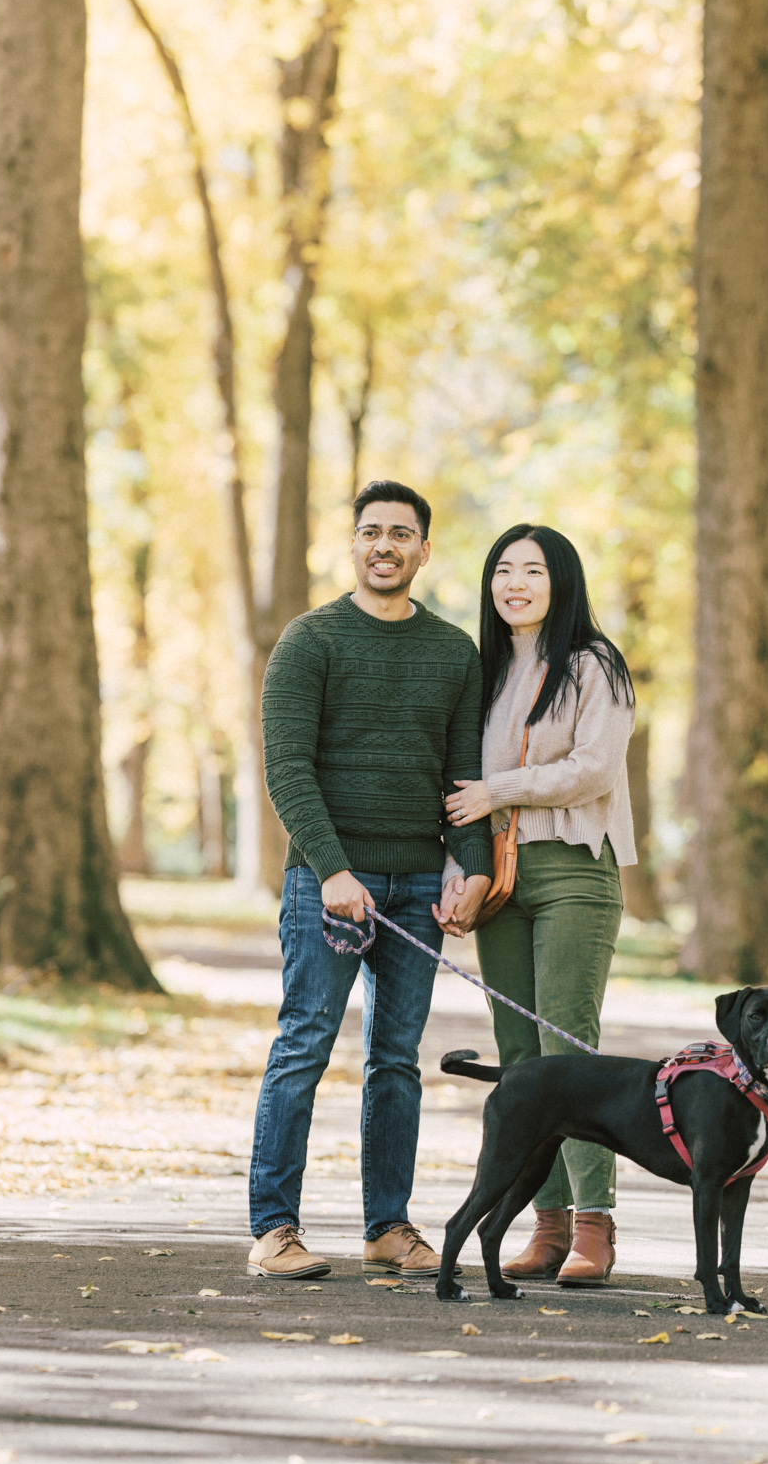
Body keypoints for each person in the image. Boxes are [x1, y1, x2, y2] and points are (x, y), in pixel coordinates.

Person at [247, 480, 492, 1281]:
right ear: (352, 544)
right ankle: (273, 1229)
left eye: (400, 533)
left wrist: (474, 868)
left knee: (395, 1060)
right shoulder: (310, 640)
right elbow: (287, 768)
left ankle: (388, 1227)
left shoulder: (454, 652)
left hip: (418, 886)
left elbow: (463, 777)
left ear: (425, 550)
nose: (384, 545)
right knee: (304, 1045)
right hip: (328, 884)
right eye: (371, 532)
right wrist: (333, 868)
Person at [441, 523, 636, 1286]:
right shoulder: (485, 671)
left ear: (562, 582)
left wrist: (502, 790)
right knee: (521, 1060)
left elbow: (594, 768)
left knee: (567, 1049)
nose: (514, 583)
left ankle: (594, 1224)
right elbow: (460, 786)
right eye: (502, 570)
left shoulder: (594, 665)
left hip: (576, 871)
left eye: (532, 570)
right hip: (504, 877)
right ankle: (545, 1224)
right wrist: (461, 871)